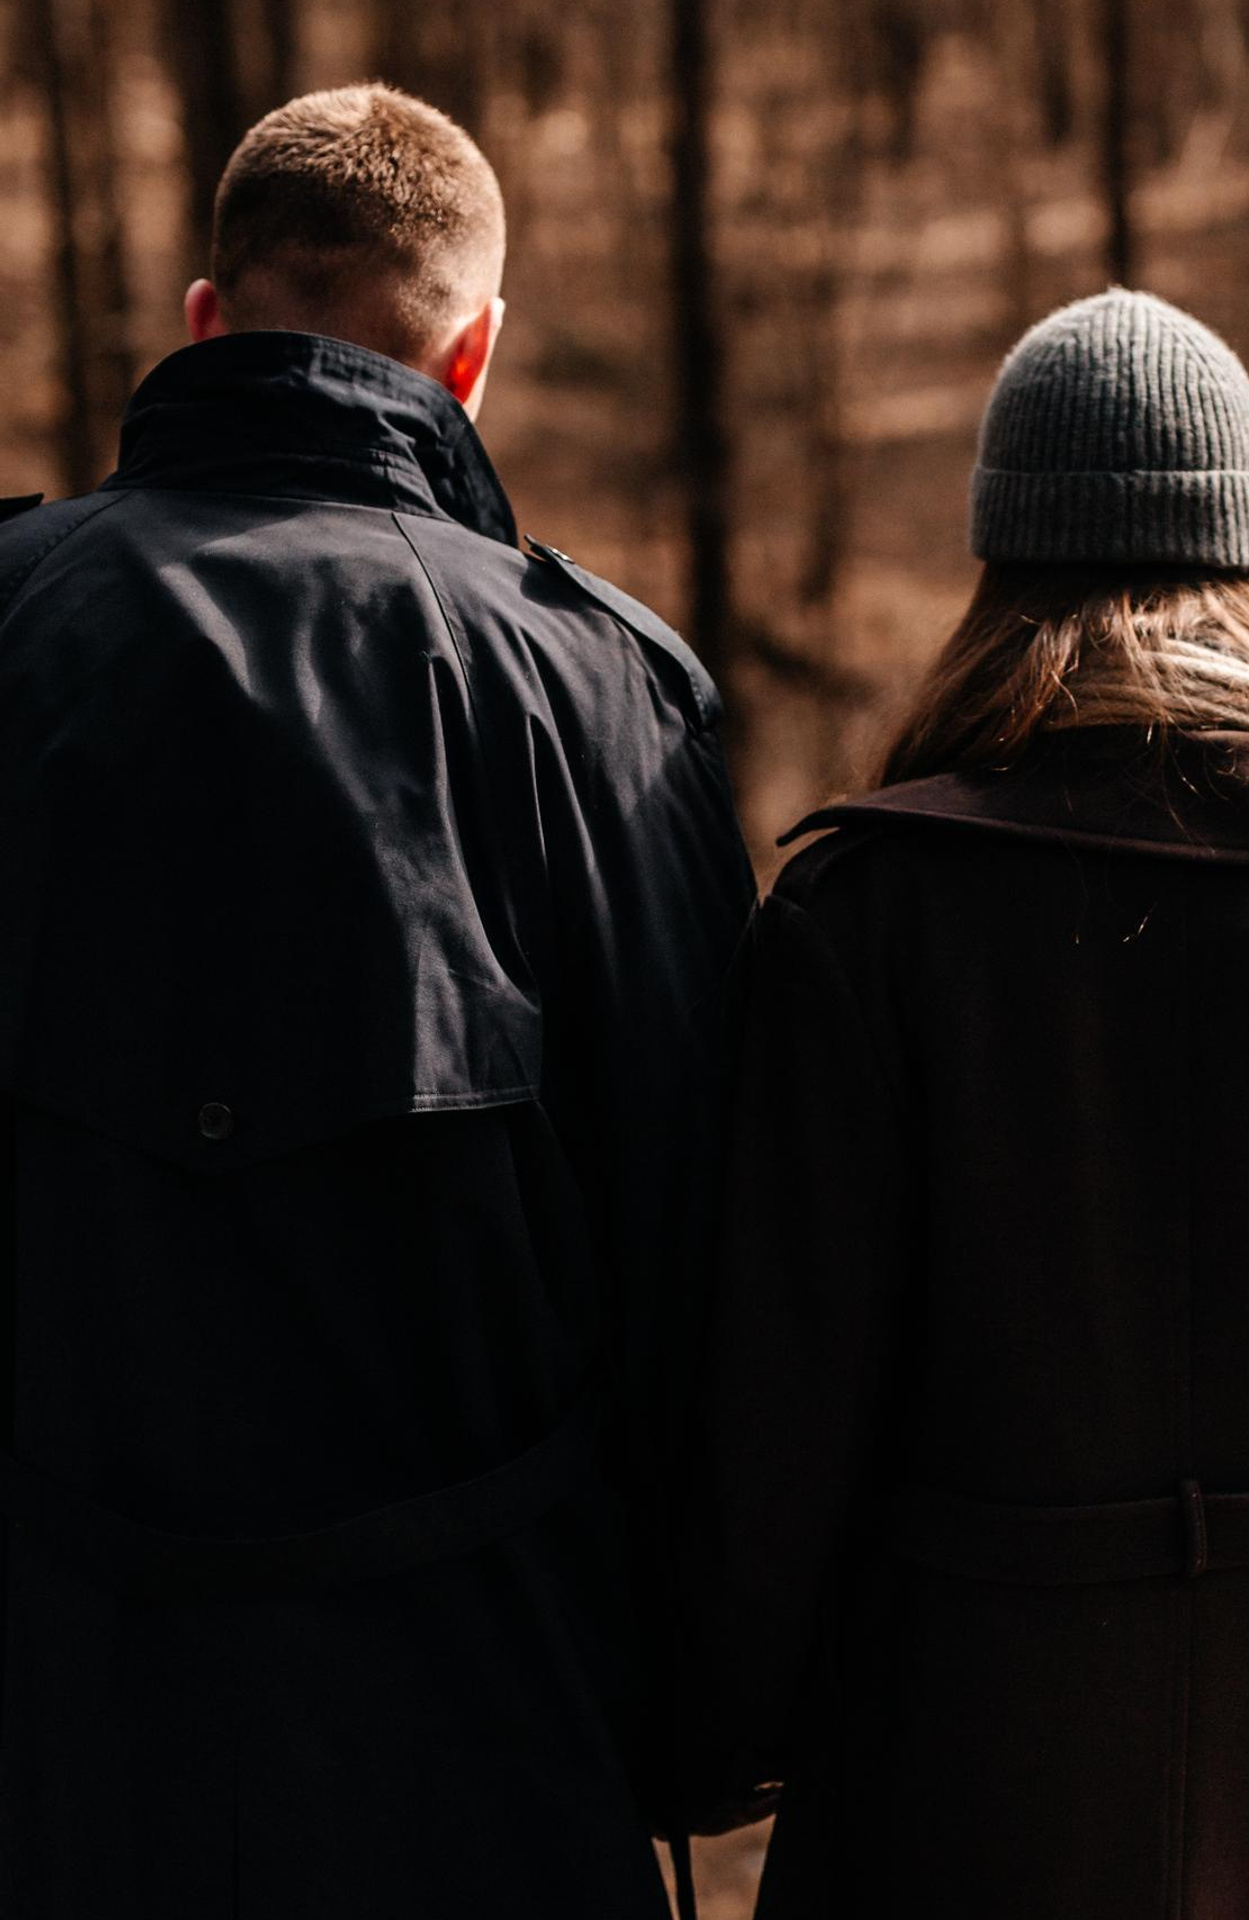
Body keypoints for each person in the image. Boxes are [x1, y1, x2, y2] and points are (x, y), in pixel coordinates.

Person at [699, 290, 1249, 1920]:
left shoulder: (868, 911)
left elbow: (782, 1404)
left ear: (999, 560)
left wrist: (708, 1728)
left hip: (959, 1759)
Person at [0, 86, 752, 1917]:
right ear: (473, 352)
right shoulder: (592, 693)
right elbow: (703, 1241)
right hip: (475, 1734)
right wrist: (696, 1717)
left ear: (205, 319)